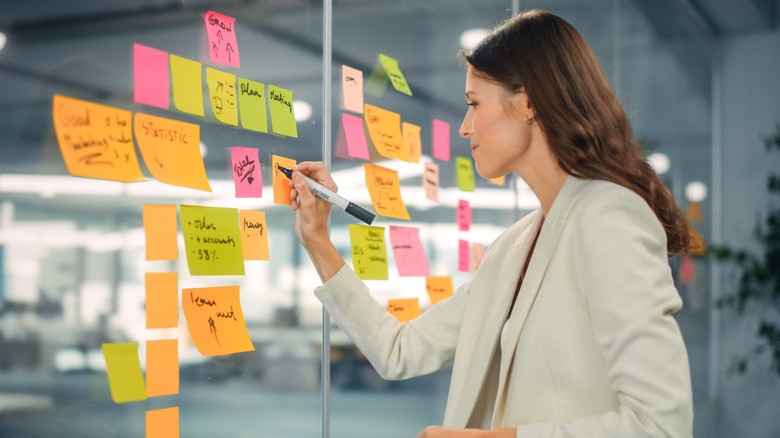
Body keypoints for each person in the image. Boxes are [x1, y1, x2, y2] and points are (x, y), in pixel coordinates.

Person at [288, 9, 694, 438]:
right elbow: (400, 351)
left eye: (474, 103)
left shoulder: (608, 215)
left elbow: (661, 425)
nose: (464, 127)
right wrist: (317, 241)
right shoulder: (516, 244)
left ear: (529, 103)